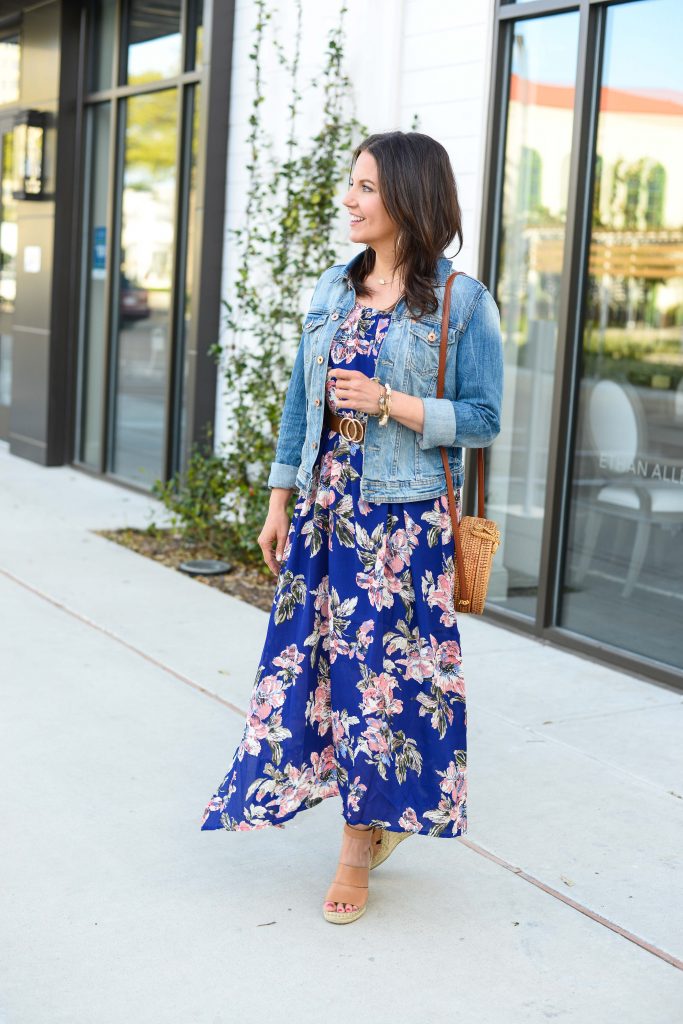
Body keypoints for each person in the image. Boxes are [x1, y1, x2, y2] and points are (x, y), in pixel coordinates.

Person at [200, 131, 504, 925]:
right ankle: (367, 815)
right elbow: (301, 407)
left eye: (365, 187)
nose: (349, 199)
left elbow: (483, 416)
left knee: (377, 684)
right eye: (351, 184)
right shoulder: (330, 290)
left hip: (401, 526)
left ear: (406, 198)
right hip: (324, 513)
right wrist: (277, 501)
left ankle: (355, 844)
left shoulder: (461, 300)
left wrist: (389, 403)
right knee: (309, 677)